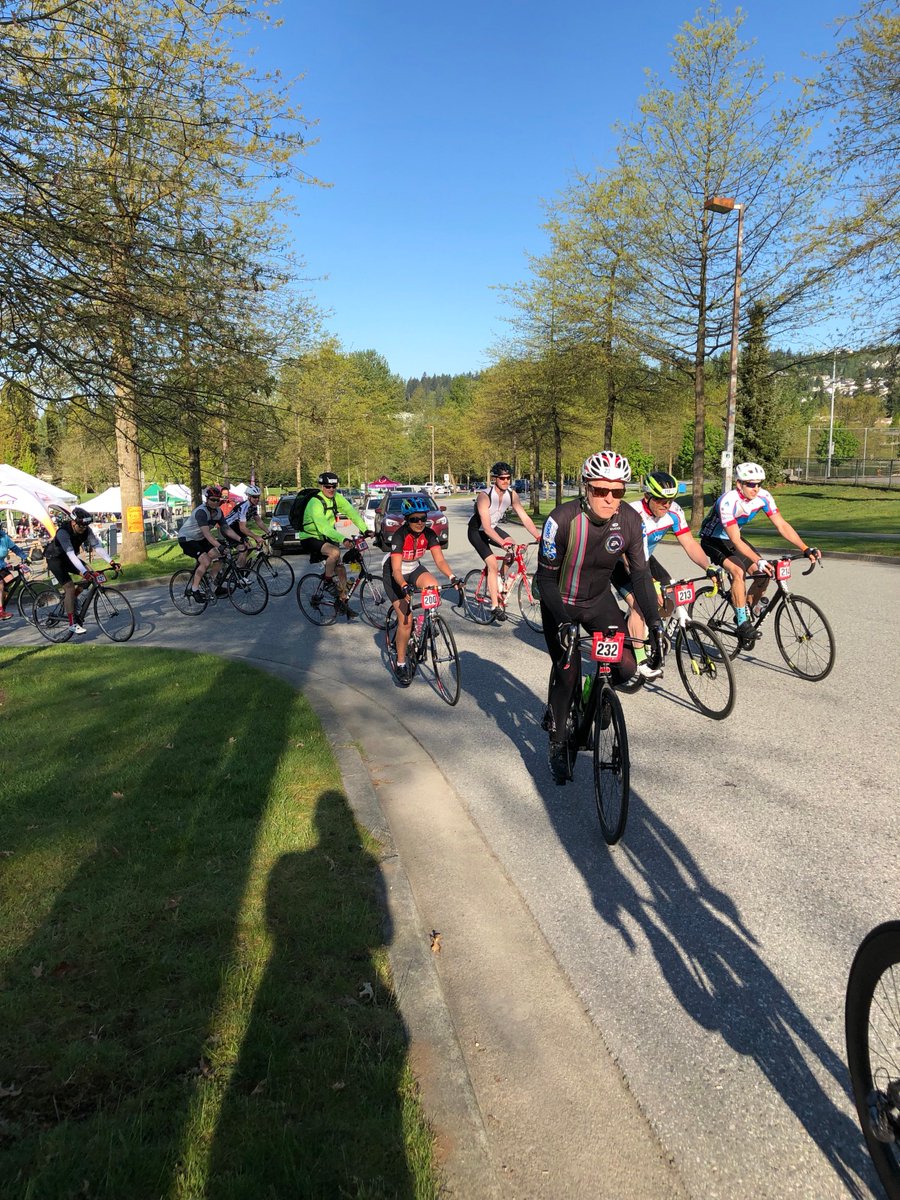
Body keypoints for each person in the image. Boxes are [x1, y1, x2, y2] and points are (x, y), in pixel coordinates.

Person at [536, 452, 664, 784]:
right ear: (586, 488)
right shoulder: (560, 520)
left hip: (597, 601)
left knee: (626, 667)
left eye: (617, 491)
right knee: (567, 675)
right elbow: (546, 581)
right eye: (600, 490)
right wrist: (563, 620)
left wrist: (654, 624)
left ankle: (596, 690)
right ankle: (558, 743)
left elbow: (640, 576)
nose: (609, 498)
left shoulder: (631, 521)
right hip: (560, 604)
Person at [699, 462, 821, 647]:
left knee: (763, 574)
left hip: (733, 539)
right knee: (738, 572)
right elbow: (736, 540)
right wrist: (759, 559)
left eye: (758, 484)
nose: (755, 488)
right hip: (713, 539)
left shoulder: (763, 497)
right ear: (739, 484)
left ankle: (745, 609)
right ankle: (742, 621)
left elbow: (782, 525)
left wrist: (805, 548)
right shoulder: (728, 501)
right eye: (750, 484)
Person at [611, 471, 719, 678]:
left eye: (670, 500)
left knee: (670, 598)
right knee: (640, 605)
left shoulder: (674, 512)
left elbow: (688, 542)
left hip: (645, 559)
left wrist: (708, 567)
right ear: (647, 497)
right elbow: (628, 559)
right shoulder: (632, 515)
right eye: (660, 499)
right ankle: (640, 660)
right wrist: (649, 584)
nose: (666, 505)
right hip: (620, 562)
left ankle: (643, 632)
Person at [383, 495, 460, 684]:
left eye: (423, 518)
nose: (419, 523)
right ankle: (401, 663)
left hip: (414, 568)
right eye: (414, 519)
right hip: (396, 575)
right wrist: (403, 586)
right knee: (405, 620)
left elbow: (439, 560)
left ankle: (424, 623)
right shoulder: (400, 536)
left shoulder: (429, 534)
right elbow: (396, 570)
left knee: (433, 586)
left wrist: (452, 577)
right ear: (407, 520)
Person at [467, 461, 541, 621]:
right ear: (495, 479)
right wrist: (503, 543)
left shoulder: (511, 495)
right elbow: (486, 528)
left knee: (515, 549)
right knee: (492, 563)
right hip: (477, 531)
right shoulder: (484, 496)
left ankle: (499, 580)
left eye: (508, 478)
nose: (506, 481)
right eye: (502, 478)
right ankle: (495, 606)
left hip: (493, 529)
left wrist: (538, 536)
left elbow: (525, 518)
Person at [43, 507, 117, 634]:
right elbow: (71, 555)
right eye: (81, 525)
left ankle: (72, 600)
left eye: (86, 525)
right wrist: (83, 572)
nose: (84, 528)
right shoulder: (63, 532)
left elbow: (97, 547)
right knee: (70, 587)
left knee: (91, 572)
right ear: (73, 522)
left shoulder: (86, 530)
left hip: (68, 559)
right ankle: (72, 623)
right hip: (55, 559)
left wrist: (111, 562)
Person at [301, 471, 367, 609]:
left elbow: (352, 513)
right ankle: (327, 580)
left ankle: (342, 601)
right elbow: (323, 527)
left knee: (341, 569)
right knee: (335, 552)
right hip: (310, 537)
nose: (331, 489)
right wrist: (342, 539)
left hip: (327, 537)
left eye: (334, 486)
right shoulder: (315, 503)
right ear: (321, 486)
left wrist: (365, 529)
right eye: (327, 486)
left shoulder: (337, 497)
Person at [177, 485, 243, 601]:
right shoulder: (201, 512)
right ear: (207, 500)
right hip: (187, 539)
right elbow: (208, 534)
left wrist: (240, 539)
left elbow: (227, 529)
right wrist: (220, 546)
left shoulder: (218, 512)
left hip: (200, 538)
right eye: (212, 499)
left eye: (217, 500)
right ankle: (194, 589)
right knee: (206, 560)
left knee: (220, 556)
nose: (215, 502)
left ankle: (213, 586)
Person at [224, 484, 268, 567]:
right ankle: (239, 576)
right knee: (243, 548)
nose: (257, 499)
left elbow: (259, 521)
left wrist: (268, 532)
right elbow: (243, 528)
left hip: (236, 528)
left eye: (258, 497)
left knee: (250, 547)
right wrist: (256, 537)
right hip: (228, 528)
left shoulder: (253, 507)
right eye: (254, 497)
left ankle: (235, 566)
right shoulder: (244, 507)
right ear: (249, 496)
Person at [0, 528, 30, 620]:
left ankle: (1, 601)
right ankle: (0, 611)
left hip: (1, 565)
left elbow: (15, 548)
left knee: (10, 579)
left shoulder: (4, 537)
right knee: (0, 584)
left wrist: (25, 557)